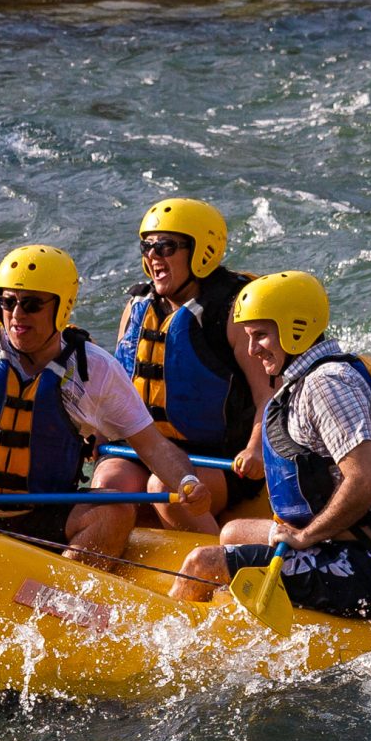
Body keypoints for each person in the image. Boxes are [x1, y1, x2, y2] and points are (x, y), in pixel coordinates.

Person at [0, 244, 200, 565]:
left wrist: (188, 482)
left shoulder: (93, 370)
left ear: (62, 307)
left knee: (114, 511)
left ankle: (58, 597)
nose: (17, 315)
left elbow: (153, 447)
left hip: (40, 515)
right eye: (8, 302)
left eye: (31, 304)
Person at [172, 272, 371, 621]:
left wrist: (306, 536)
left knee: (202, 563)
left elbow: (366, 480)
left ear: (295, 328)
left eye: (260, 336)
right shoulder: (306, 380)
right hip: (352, 545)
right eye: (248, 337)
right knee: (233, 532)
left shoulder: (327, 385)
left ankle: (177, 649)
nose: (253, 349)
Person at [88, 198, 270, 533]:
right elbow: (117, 390)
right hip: (145, 450)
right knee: (109, 484)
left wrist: (255, 450)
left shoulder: (231, 313)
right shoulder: (137, 308)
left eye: (166, 247)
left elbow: (267, 397)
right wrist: (95, 435)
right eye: (148, 246)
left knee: (165, 486)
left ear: (201, 251)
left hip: (217, 462)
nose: (153, 256)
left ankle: (218, 567)